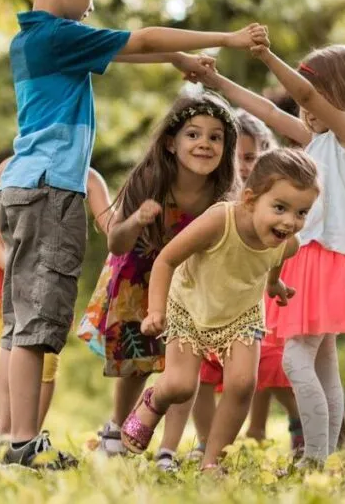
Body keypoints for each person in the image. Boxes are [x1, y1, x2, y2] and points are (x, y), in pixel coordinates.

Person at [0, 0, 264, 468]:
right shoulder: (58, 36)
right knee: (40, 324)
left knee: (23, 323)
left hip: (22, 188)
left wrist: (177, 61)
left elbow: (127, 52)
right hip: (50, 190)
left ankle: (10, 440)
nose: (93, 5)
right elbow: (139, 39)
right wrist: (228, 39)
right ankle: (21, 444)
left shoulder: (32, 40)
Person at [196, 37, 345, 466]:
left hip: (321, 257)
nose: (304, 108)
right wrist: (216, 81)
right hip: (317, 258)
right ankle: (326, 456)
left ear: (339, 94)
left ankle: (314, 458)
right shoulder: (321, 141)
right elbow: (268, 112)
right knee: (323, 364)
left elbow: (304, 94)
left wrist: (265, 54)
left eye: (313, 97)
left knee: (296, 359)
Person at [120, 149, 320, 473]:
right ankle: (153, 400)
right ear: (250, 199)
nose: (290, 221)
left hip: (242, 314)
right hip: (190, 305)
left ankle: (212, 462)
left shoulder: (288, 242)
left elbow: (276, 259)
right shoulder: (220, 220)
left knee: (242, 384)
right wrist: (155, 311)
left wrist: (274, 284)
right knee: (181, 385)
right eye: (280, 208)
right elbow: (166, 260)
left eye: (302, 212)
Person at [77, 92, 239, 472]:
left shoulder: (222, 195)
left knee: (184, 366)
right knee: (138, 363)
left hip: (189, 283)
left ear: (226, 147)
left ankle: (167, 449)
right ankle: (116, 430)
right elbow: (116, 242)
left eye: (215, 137)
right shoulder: (150, 180)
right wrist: (136, 220)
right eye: (193, 134)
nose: (204, 143)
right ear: (170, 142)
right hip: (138, 276)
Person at [0, 158, 111, 467]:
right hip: (6, 284)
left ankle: (27, 441)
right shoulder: (8, 168)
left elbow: (111, 222)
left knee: (45, 364)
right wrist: (14, 266)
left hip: (50, 284)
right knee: (2, 364)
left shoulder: (85, 175)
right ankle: (1, 439)